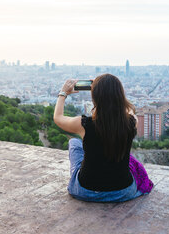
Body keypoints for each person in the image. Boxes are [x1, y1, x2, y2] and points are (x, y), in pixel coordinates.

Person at [53, 74, 147, 202]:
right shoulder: (131, 122)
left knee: (74, 142)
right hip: (123, 191)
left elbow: (58, 117)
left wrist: (63, 93)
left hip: (86, 190)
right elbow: (130, 110)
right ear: (120, 96)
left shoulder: (84, 124)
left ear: (95, 97)